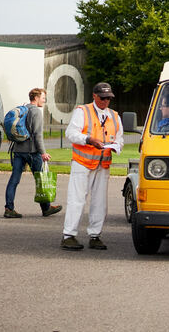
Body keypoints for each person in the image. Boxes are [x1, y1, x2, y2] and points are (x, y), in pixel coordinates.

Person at [60, 82, 123, 251]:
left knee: (100, 202)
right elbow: (71, 133)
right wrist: (88, 140)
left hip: (103, 163)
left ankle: (95, 236)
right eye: (102, 98)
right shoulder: (83, 111)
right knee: (77, 199)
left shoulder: (115, 116)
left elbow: (120, 138)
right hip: (82, 162)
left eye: (108, 98)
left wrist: (116, 146)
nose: (105, 101)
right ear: (94, 96)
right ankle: (69, 235)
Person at [3, 88, 63, 219]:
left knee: (14, 180)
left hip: (18, 151)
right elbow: (38, 135)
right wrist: (43, 153)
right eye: (43, 98)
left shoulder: (23, 109)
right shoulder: (36, 111)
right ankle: (46, 208)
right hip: (32, 152)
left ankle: (9, 208)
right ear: (36, 98)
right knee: (41, 179)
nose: (44, 100)